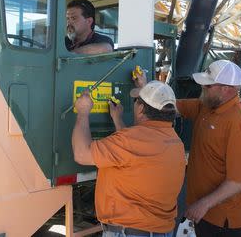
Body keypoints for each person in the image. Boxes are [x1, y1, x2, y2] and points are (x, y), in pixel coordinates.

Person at [136, 60, 241, 237]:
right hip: (205, 214)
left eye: (207, 86)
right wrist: (146, 88)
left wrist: (204, 204)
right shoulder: (206, 106)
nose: (202, 88)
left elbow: (240, 180)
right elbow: (166, 106)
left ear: (226, 89)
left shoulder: (240, 124)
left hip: (225, 221)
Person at [72, 81, 186, 237]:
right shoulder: (175, 142)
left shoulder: (131, 141)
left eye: (136, 100)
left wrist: (83, 112)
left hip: (130, 232)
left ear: (140, 109)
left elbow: (81, 154)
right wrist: (117, 119)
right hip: (160, 231)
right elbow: (133, 153)